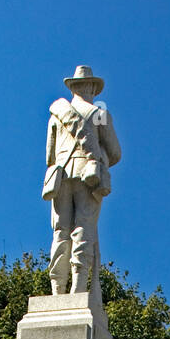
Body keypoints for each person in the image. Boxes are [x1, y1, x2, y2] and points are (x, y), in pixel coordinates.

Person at [43, 65, 121, 296]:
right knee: (83, 228)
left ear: (73, 88)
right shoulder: (99, 115)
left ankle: (57, 288)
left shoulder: (56, 114)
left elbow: (50, 156)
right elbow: (116, 153)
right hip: (89, 175)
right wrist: (97, 158)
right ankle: (78, 286)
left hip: (61, 176)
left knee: (61, 231)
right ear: (92, 88)